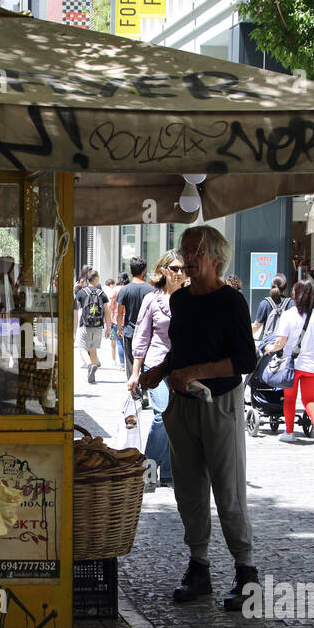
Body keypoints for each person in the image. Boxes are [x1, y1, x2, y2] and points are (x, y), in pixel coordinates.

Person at [139, 225, 259, 608]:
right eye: (185, 251)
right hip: (181, 405)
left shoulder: (231, 302)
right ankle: (199, 568)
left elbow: (244, 361)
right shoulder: (182, 300)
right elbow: (181, 350)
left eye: (196, 252)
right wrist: (159, 371)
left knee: (229, 490)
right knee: (189, 492)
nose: (187, 258)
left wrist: (195, 372)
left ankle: (246, 574)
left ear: (216, 258)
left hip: (218, 403)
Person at [126, 250, 186, 487]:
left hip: (182, 367)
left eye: (182, 269)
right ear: (163, 271)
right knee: (163, 414)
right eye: (174, 268)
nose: (179, 273)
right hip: (156, 363)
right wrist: (135, 372)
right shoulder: (152, 299)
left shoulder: (190, 298)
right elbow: (141, 337)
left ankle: (170, 472)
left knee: (178, 419)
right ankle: (148, 468)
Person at [266, 279, 314, 447]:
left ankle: (289, 432)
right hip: (313, 366)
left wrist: (270, 348)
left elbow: (280, 342)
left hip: (292, 366)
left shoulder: (288, 315)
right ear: (311, 296)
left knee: (289, 399)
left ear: (295, 294)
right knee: (309, 399)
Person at [115, 257, 152, 397]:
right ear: (144, 271)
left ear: (130, 271)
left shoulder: (125, 290)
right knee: (146, 362)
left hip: (130, 331)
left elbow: (120, 312)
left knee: (131, 362)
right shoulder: (151, 289)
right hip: (147, 333)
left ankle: (135, 393)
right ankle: (146, 390)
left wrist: (119, 328)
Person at [74, 270, 108, 382]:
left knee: (82, 348)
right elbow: (107, 312)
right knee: (93, 349)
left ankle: (89, 366)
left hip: (85, 325)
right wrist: (108, 327)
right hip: (98, 326)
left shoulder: (82, 292)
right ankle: (92, 375)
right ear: (96, 279)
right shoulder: (101, 293)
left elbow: (75, 309)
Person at [251, 273, 289, 350]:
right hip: (285, 345)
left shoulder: (265, 303)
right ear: (285, 288)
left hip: (268, 346)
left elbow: (257, 325)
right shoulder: (291, 303)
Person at [103, 272, 122, 368]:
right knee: (123, 343)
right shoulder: (127, 288)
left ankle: (114, 360)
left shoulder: (115, 290)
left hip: (115, 319)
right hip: (126, 321)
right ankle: (124, 362)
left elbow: (110, 305)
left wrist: (107, 319)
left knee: (114, 342)